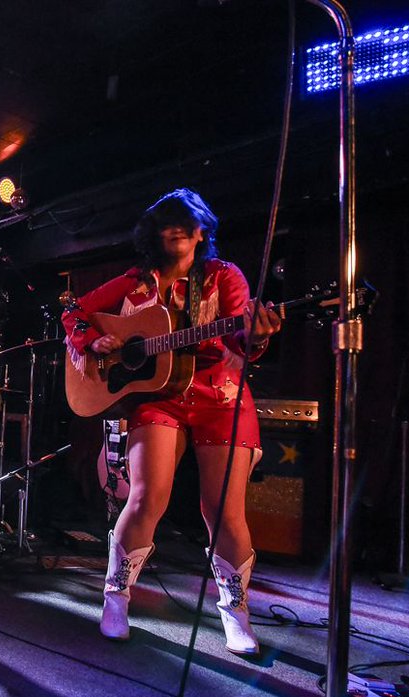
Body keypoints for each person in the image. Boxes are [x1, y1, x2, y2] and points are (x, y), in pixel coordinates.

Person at [61, 188, 281, 655]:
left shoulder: (223, 276)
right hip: (159, 397)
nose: (177, 228)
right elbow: (74, 312)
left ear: (202, 232)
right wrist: (92, 341)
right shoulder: (135, 282)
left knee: (223, 510)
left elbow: (241, 341)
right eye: (167, 220)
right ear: (153, 232)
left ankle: (235, 611)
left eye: (187, 221)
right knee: (145, 497)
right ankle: (115, 597)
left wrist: (256, 336)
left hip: (220, 393)